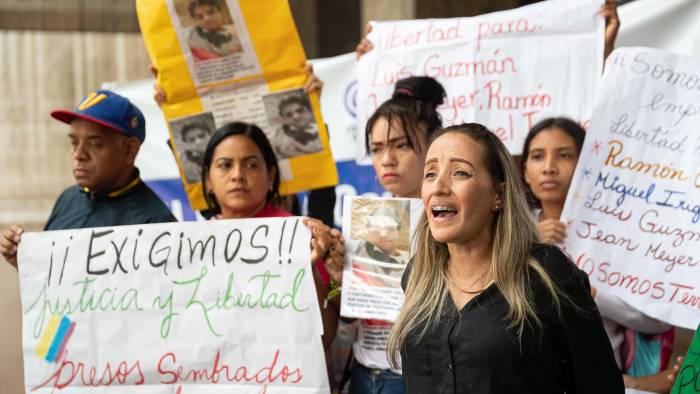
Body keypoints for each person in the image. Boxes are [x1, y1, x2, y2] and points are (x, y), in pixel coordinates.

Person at [389, 123, 623, 393]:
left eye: (460, 173)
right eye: (430, 173)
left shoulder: (546, 273)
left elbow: (600, 384)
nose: (439, 187)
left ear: (498, 195)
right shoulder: (418, 275)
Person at [520, 117, 676, 392]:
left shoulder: (618, 234)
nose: (549, 168)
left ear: (587, 166)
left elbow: (657, 318)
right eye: (537, 156)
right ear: (524, 172)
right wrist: (527, 244)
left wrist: (580, 293)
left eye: (564, 155)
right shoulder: (512, 235)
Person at [199, 121, 344, 351]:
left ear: (270, 176)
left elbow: (323, 338)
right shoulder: (193, 243)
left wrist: (309, 270)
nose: (238, 175)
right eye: (225, 165)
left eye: (251, 165)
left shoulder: (301, 235)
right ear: (208, 180)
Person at [343, 76, 445, 394]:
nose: (387, 159)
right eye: (376, 148)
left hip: (418, 376)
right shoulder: (366, 217)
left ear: (433, 145)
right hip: (364, 370)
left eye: (401, 145)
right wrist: (340, 276)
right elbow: (350, 315)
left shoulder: (452, 219)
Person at [0, 90, 176, 268]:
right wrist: (27, 264)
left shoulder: (155, 223)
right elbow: (54, 284)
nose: (78, 154)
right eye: (74, 142)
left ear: (129, 150)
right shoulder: (68, 199)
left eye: (95, 143)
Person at [352, 205, 409, 288]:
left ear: (398, 232)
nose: (383, 234)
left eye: (389, 229)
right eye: (377, 229)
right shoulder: (358, 249)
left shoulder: (411, 260)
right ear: (369, 231)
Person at [269, 93, 323, 160]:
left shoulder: (321, 129)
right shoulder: (280, 136)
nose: (296, 116)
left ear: (309, 111)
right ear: (284, 119)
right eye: (289, 115)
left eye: (300, 111)